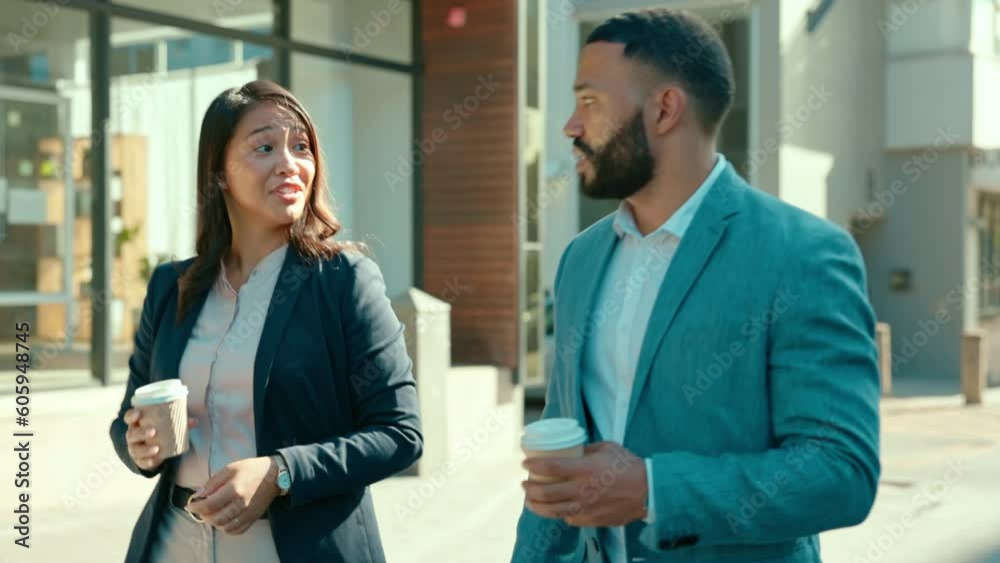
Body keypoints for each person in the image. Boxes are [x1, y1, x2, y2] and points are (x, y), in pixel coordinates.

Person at [511, 9, 879, 563]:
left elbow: (840, 471)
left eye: (589, 101)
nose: (570, 125)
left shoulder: (804, 254)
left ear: (664, 109)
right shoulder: (580, 260)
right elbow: (560, 461)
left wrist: (652, 490)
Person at [109, 80, 422, 563]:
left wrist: (281, 472)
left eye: (301, 147)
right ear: (219, 170)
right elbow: (127, 416)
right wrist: (138, 444)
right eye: (264, 147)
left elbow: (400, 433)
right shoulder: (172, 287)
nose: (289, 163)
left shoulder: (343, 280)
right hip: (173, 544)